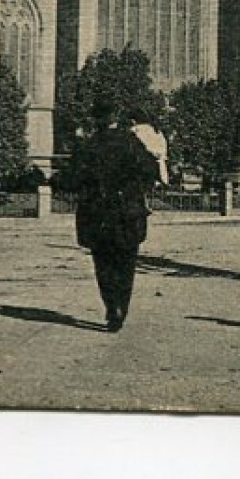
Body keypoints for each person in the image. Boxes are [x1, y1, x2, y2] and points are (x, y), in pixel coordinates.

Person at [70, 108, 161, 331]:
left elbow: (73, 177)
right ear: (116, 121)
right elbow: (151, 169)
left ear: (97, 121)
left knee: (103, 263)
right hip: (126, 211)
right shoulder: (131, 143)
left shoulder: (89, 145)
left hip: (97, 212)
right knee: (126, 262)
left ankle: (111, 306)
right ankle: (121, 306)